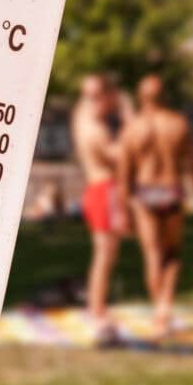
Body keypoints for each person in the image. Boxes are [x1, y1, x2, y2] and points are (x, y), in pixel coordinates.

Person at [118, 75, 193, 334]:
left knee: (152, 254)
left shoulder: (132, 129)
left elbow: (124, 176)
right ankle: (164, 306)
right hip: (171, 191)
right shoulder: (178, 124)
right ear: (165, 95)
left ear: (141, 97)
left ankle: (159, 313)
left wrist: (123, 211)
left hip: (144, 193)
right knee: (172, 255)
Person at [71, 75, 127, 336]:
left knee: (105, 253)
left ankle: (96, 306)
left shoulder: (81, 116)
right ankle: (96, 310)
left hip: (96, 189)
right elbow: (118, 157)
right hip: (104, 190)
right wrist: (129, 121)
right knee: (105, 254)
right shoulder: (96, 128)